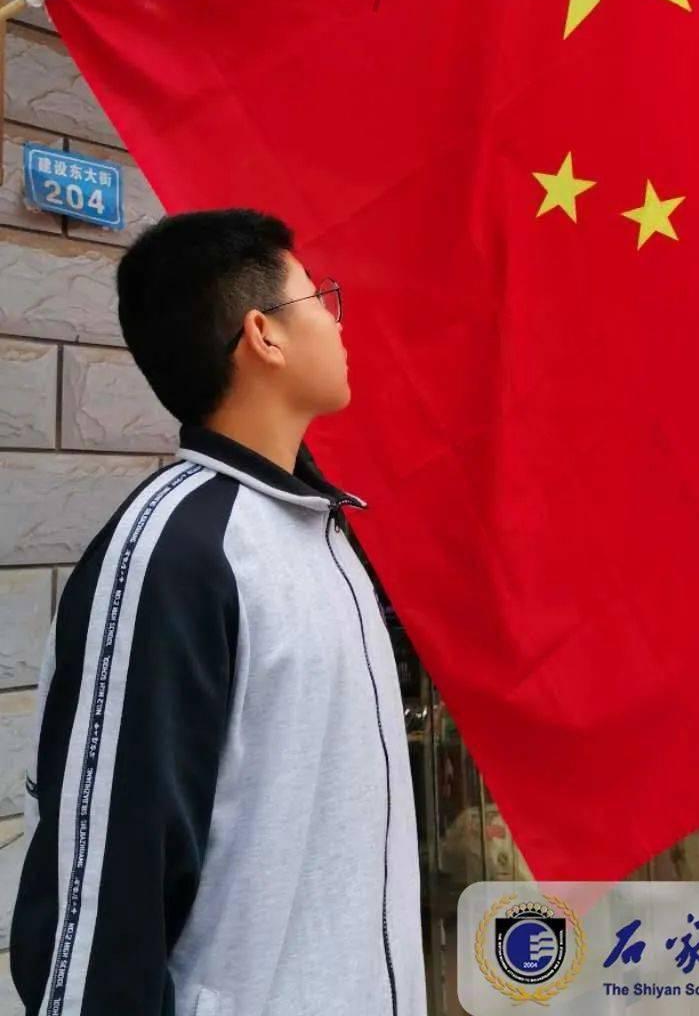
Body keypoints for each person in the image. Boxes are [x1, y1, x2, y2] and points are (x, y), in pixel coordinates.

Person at [10, 209, 426, 1016]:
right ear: (263, 334)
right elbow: (102, 909)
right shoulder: (175, 552)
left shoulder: (319, 532)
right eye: (320, 298)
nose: (340, 322)